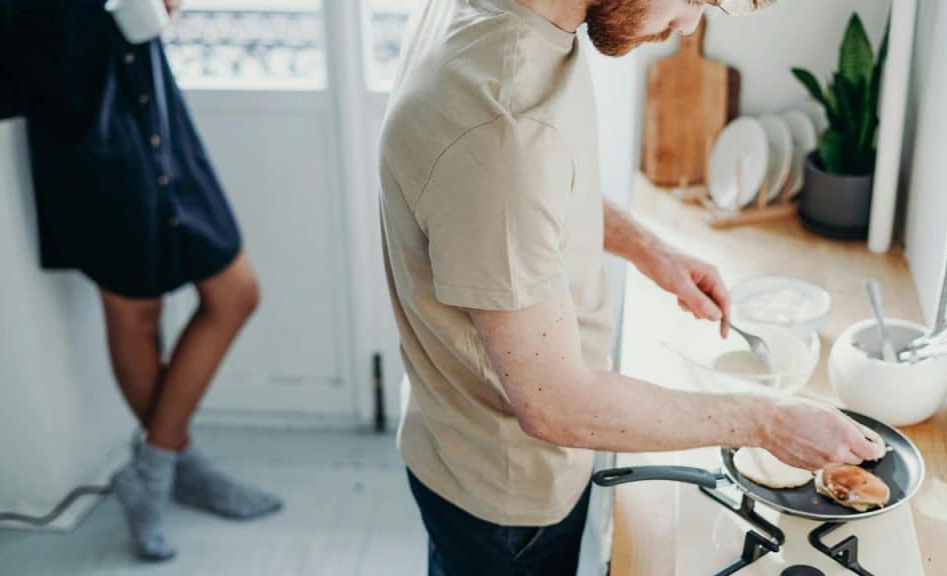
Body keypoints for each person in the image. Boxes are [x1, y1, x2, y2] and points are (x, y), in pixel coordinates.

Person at [378, 1, 882, 574]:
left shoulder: (519, 20)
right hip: (505, 494)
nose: (691, 27)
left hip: (456, 435)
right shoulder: (498, 122)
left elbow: (536, 190)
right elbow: (555, 404)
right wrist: (767, 422)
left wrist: (651, 249)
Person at [0, 0, 281, 561]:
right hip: (82, 112)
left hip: (149, 93)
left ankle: (160, 459)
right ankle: (171, 463)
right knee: (134, 312)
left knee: (235, 293)